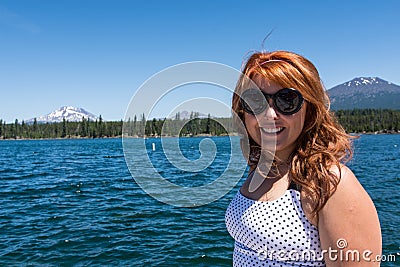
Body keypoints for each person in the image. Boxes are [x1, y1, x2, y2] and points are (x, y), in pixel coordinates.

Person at [225, 50, 382, 266]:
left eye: (287, 101)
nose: (269, 115)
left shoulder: (329, 183)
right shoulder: (262, 169)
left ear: (309, 110)